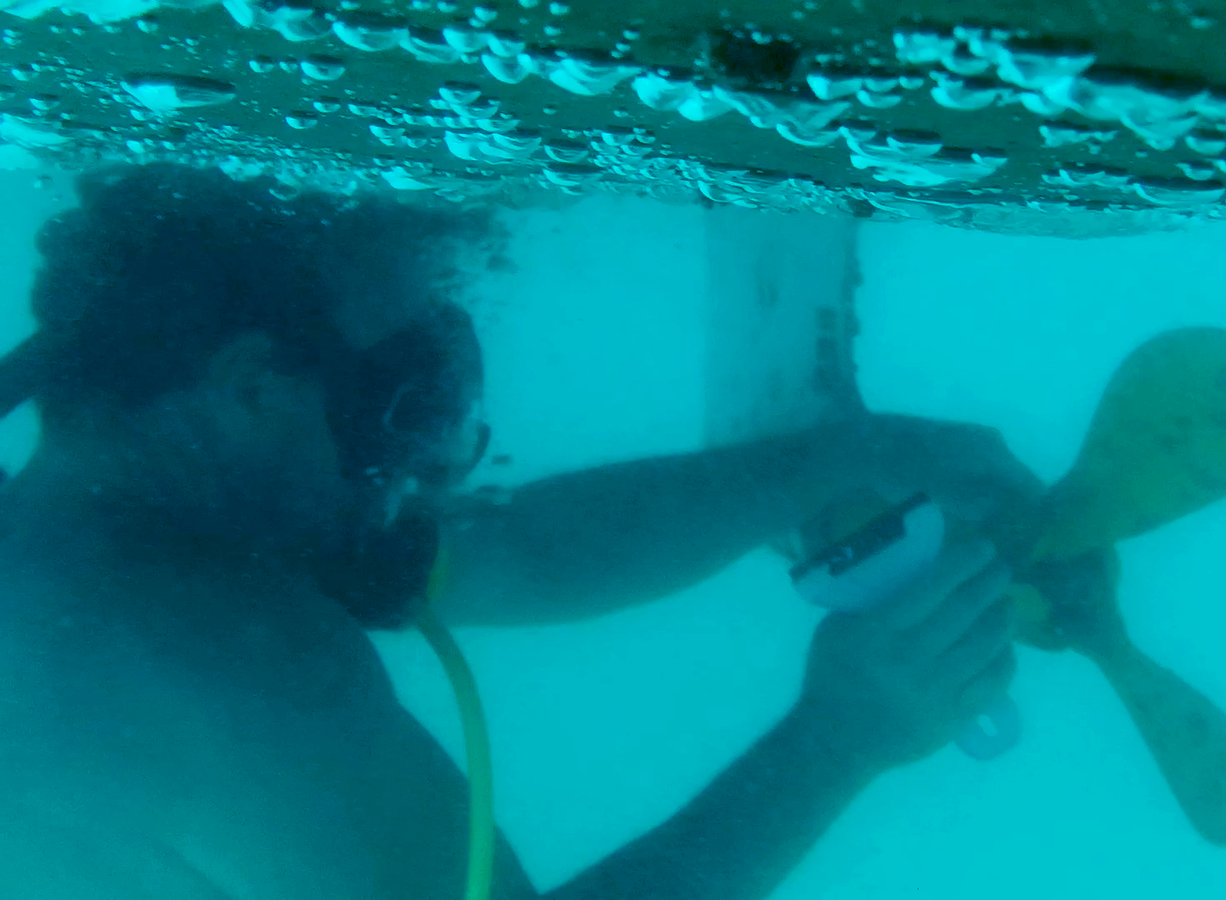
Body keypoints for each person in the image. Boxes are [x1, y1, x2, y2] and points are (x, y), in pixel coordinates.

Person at [0, 164, 1045, 900]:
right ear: (248, 386)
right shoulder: (216, 660)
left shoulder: (104, 539)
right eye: (407, 398)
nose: (421, 458)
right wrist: (837, 741)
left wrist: (839, 459)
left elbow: (527, 552)